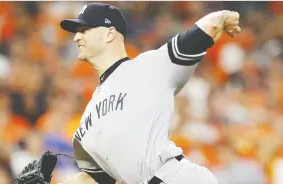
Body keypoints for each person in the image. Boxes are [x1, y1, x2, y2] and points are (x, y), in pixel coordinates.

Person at [59, 2, 241, 184]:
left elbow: (197, 36)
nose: (76, 38)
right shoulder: (87, 121)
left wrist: (223, 16)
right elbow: (96, 178)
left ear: (109, 33)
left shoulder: (149, 66)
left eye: (84, 30)